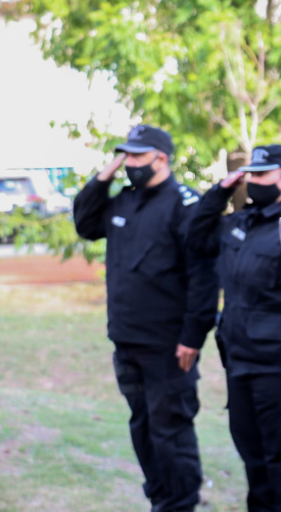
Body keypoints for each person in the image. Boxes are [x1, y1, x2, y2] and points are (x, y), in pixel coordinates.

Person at [73, 125, 219, 512]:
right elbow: (85, 224)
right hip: (127, 339)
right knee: (141, 425)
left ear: (161, 158)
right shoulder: (124, 200)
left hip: (170, 345)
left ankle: (181, 502)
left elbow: (204, 276)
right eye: (126, 156)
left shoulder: (186, 204)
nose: (129, 164)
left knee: (170, 428)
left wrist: (192, 336)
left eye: (137, 156)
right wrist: (106, 172)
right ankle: (160, 498)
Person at [186, 145, 281, 512]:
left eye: (262, 174)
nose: (252, 181)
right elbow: (195, 236)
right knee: (254, 462)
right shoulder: (239, 222)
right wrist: (220, 190)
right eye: (250, 174)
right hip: (240, 364)